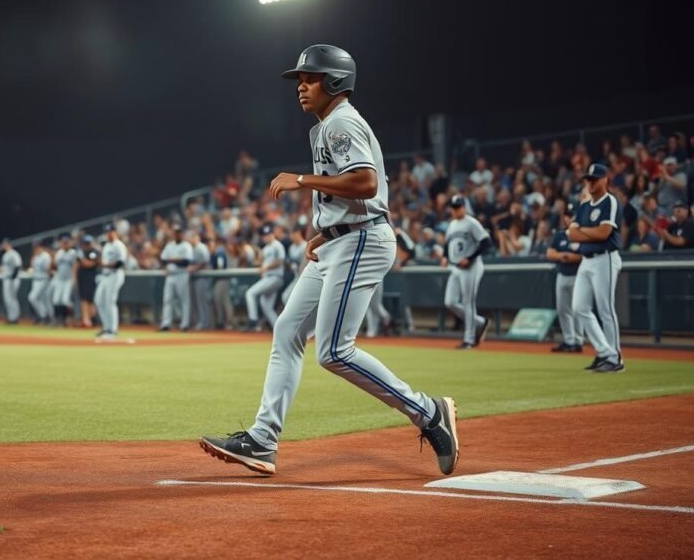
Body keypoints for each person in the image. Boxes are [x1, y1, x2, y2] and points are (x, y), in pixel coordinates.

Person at [200, 44, 459, 477]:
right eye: (300, 79)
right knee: (287, 330)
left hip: (362, 242)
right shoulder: (326, 126)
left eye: (310, 78)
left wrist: (301, 180)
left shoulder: (340, 123)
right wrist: (326, 229)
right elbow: (359, 188)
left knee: (335, 351)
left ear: (335, 81)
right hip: (342, 240)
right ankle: (263, 440)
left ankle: (428, 413)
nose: (301, 86)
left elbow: (366, 182)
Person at [569, 163, 624, 373]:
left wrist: (583, 231)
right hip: (587, 259)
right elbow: (571, 234)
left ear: (605, 179)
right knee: (579, 307)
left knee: (605, 309)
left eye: (594, 179)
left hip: (606, 258)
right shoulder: (584, 205)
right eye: (588, 179)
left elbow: (604, 234)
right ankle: (604, 352)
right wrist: (587, 231)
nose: (590, 183)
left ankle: (615, 357)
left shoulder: (609, 201)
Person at [442, 194, 491, 349]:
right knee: (449, 302)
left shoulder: (472, 223)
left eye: (458, 206)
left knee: (468, 302)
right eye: (454, 207)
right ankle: (479, 322)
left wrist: (470, 258)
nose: (456, 210)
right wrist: (444, 256)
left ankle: (469, 339)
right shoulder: (452, 225)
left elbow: (486, 242)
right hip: (456, 267)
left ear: (464, 206)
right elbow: (447, 244)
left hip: (472, 267)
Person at [546, 205, 583, 352]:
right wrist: (563, 256)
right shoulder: (560, 235)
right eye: (566, 215)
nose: (568, 218)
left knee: (578, 310)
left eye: (571, 215)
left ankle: (578, 341)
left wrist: (567, 257)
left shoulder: (581, 234)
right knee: (562, 309)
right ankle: (569, 340)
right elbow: (550, 253)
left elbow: (582, 256)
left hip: (577, 276)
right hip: (562, 274)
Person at [243, 223, 285, 331]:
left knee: (250, 293)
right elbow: (260, 262)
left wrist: (265, 267)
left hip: (274, 277)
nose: (266, 236)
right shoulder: (266, 248)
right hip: (268, 278)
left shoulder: (277, 245)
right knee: (267, 306)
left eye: (268, 234)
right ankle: (279, 329)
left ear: (272, 234)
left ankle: (253, 319)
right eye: (264, 235)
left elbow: (279, 261)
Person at [95, 223, 128, 339]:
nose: (108, 234)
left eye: (110, 231)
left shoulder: (119, 245)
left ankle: (113, 330)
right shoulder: (107, 245)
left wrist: (106, 264)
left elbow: (121, 263)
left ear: (115, 232)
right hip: (105, 276)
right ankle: (106, 327)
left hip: (115, 275)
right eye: (107, 232)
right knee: (98, 300)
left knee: (110, 301)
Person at [158, 225, 194, 331]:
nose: (177, 234)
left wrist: (171, 260)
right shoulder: (170, 245)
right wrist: (175, 260)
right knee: (167, 300)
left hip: (181, 274)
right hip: (170, 275)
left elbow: (186, 262)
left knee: (184, 300)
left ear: (182, 234)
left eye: (179, 232)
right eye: (175, 232)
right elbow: (163, 259)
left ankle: (185, 324)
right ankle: (166, 324)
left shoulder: (186, 246)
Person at [50, 235, 78, 327]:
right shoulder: (59, 253)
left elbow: (75, 267)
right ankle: (58, 319)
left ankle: (70, 318)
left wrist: (74, 279)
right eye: (63, 242)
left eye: (66, 242)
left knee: (65, 301)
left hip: (68, 279)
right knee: (56, 300)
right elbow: (55, 266)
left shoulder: (73, 253)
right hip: (59, 279)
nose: (65, 244)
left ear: (69, 243)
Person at [189, 232, 213, 331]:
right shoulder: (194, 248)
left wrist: (194, 268)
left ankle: (204, 322)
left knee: (202, 301)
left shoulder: (201, 247)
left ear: (197, 237)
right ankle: (201, 321)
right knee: (198, 301)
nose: (191, 239)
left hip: (203, 277)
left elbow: (204, 261)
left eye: (193, 237)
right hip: (197, 278)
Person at [210, 236, 234, 330]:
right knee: (223, 300)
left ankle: (226, 322)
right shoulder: (220, 251)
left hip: (222, 279)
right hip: (222, 279)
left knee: (223, 300)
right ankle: (226, 322)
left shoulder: (219, 251)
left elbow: (220, 266)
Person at [27, 240, 53, 324]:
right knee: (41, 299)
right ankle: (45, 316)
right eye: (35, 246)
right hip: (36, 279)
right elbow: (32, 266)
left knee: (33, 297)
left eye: (37, 246)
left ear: (41, 246)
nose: (36, 248)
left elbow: (48, 269)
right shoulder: (35, 256)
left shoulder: (46, 256)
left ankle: (45, 316)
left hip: (44, 279)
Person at [77, 235, 100, 328]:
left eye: (88, 243)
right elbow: (78, 265)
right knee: (83, 299)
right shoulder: (81, 252)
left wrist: (82, 260)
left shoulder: (94, 252)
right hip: (83, 278)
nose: (86, 245)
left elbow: (89, 264)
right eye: (85, 243)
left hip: (91, 278)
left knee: (91, 299)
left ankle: (92, 319)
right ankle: (86, 320)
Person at [0, 239, 22, 324]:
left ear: (8, 244)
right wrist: (2, 269)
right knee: (7, 299)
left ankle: (14, 318)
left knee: (12, 299)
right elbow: (7, 267)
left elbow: (18, 265)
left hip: (12, 279)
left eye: (4, 244)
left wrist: (13, 277)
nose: (3, 245)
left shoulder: (13, 254)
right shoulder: (6, 255)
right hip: (6, 279)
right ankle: (10, 317)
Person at [280, 227, 307, 305]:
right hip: (296, 277)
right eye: (291, 235)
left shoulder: (305, 245)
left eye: (294, 234)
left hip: (304, 276)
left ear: (298, 234)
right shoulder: (291, 247)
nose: (292, 236)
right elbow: (289, 262)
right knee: (285, 297)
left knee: (289, 298)